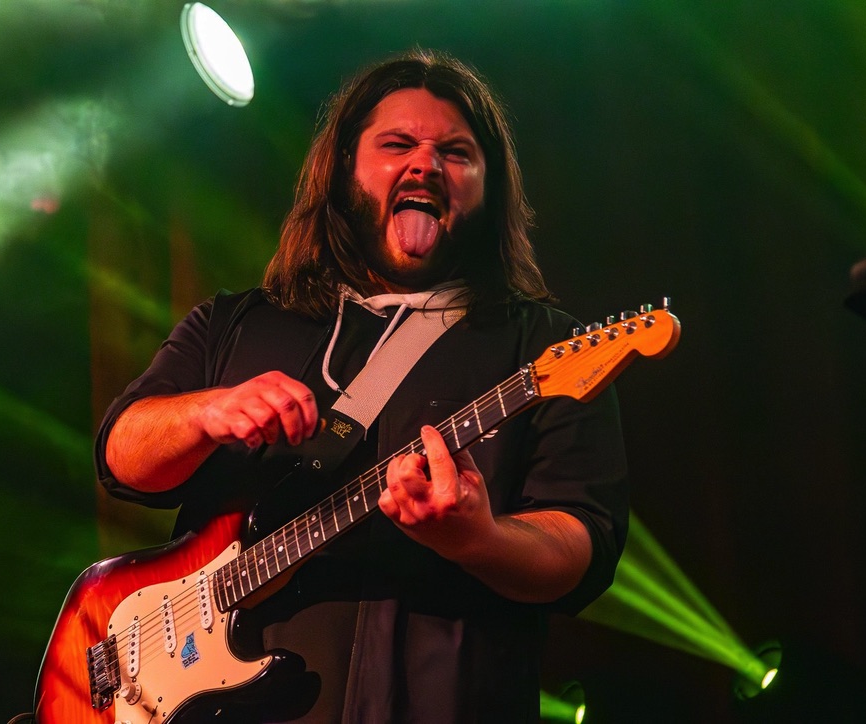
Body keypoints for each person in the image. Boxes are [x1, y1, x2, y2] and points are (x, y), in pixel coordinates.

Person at [95, 49, 628, 723]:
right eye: (398, 144)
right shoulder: (235, 323)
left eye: (457, 153)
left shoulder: (545, 347)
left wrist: (479, 539)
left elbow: (583, 542)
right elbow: (123, 459)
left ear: (489, 190)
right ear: (345, 167)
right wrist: (209, 411)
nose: (427, 165)